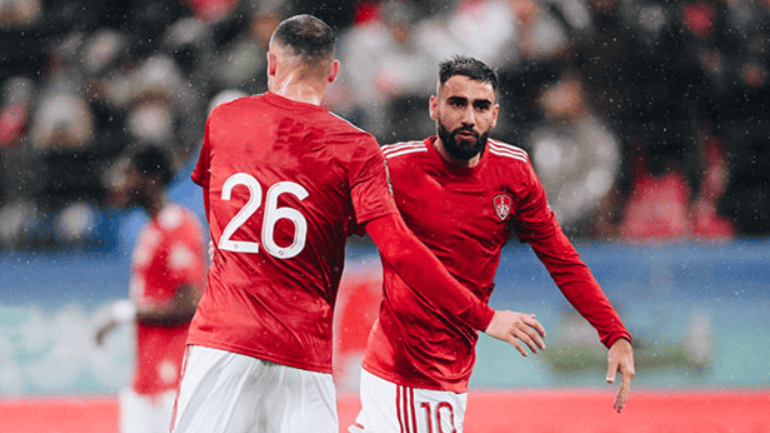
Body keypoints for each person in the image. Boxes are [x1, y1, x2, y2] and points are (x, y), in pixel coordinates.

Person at [171, 15, 540, 433]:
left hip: (222, 339)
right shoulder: (355, 147)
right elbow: (399, 248)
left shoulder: (224, 119)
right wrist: (484, 316)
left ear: (271, 63)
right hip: (301, 351)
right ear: (333, 72)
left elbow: (214, 200)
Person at [350, 56, 635, 433]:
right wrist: (488, 318)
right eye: (457, 103)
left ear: (495, 115)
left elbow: (561, 258)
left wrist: (614, 332)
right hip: (411, 373)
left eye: (480, 106)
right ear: (434, 107)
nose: (469, 117)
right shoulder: (395, 167)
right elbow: (394, 252)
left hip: (446, 371)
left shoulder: (513, 172)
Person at [94, 145, 206, 433]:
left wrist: (125, 312)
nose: (122, 182)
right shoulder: (151, 229)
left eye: (129, 174)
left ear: (151, 179)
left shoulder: (179, 226)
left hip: (172, 379)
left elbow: (190, 303)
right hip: (146, 377)